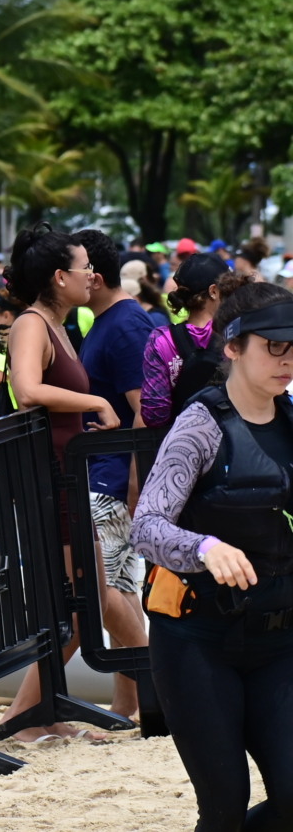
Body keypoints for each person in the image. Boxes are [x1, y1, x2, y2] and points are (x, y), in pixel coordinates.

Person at [132, 283, 293, 832]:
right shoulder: (199, 425)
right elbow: (146, 525)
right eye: (273, 345)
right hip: (197, 643)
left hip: (280, 642)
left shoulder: (292, 420)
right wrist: (204, 546)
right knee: (224, 807)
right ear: (233, 347)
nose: (287, 359)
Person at [0, 223, 121, 740]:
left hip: (65, 477)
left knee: (87, 599)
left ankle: (43, 712)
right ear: (58, 276)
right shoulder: (32, 325)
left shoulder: (58, 324)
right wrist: (96, 401)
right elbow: (28, 389)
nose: (92, 275)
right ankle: (21, 718)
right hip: (49, 480)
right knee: (82, 602)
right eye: (83, 267)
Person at [73, 229, 155, 719]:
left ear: (95, 277)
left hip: (113, 477)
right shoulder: (109, 320)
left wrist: (135, 484)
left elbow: (145, 410)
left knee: (97, 591)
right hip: (108, 472)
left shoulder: (124, 325)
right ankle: (131, 704)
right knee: (120, 591)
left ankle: (159, 684)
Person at [140, 254, 248, 429]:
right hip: (238, 439)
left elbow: (154, 415)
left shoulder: (161, 340)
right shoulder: (239, 334)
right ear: (214, 291)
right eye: (229, 289)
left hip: (182, 442)